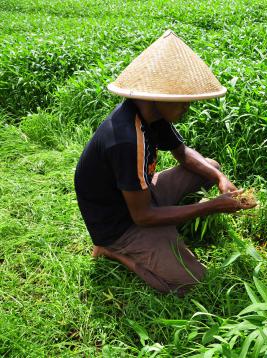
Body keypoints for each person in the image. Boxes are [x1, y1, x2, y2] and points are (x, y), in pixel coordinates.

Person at [74, 30, 255, 295]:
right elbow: (143, 216)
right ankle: (114, 251)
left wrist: (220, 180)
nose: (186, 108)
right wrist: (212, 206)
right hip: (121, 223)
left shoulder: (151, 114)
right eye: (183, 102)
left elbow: (182, 153)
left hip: (140, 196)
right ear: (159, 96)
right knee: (191, 282)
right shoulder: (127, 139)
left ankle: (166, 227)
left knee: (210, 166)